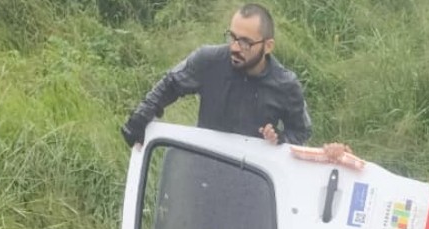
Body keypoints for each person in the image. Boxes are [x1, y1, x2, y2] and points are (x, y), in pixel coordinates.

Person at [121, 4, 311, 149]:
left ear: (268, 46)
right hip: (206, 164)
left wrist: (280, 139)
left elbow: (301, 133)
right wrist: (140, 117)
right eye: (232, 37)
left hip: (254, 178)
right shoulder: (208, 60)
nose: (235, 47)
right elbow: (170, 84)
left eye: (245, 42)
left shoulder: (286, 85)